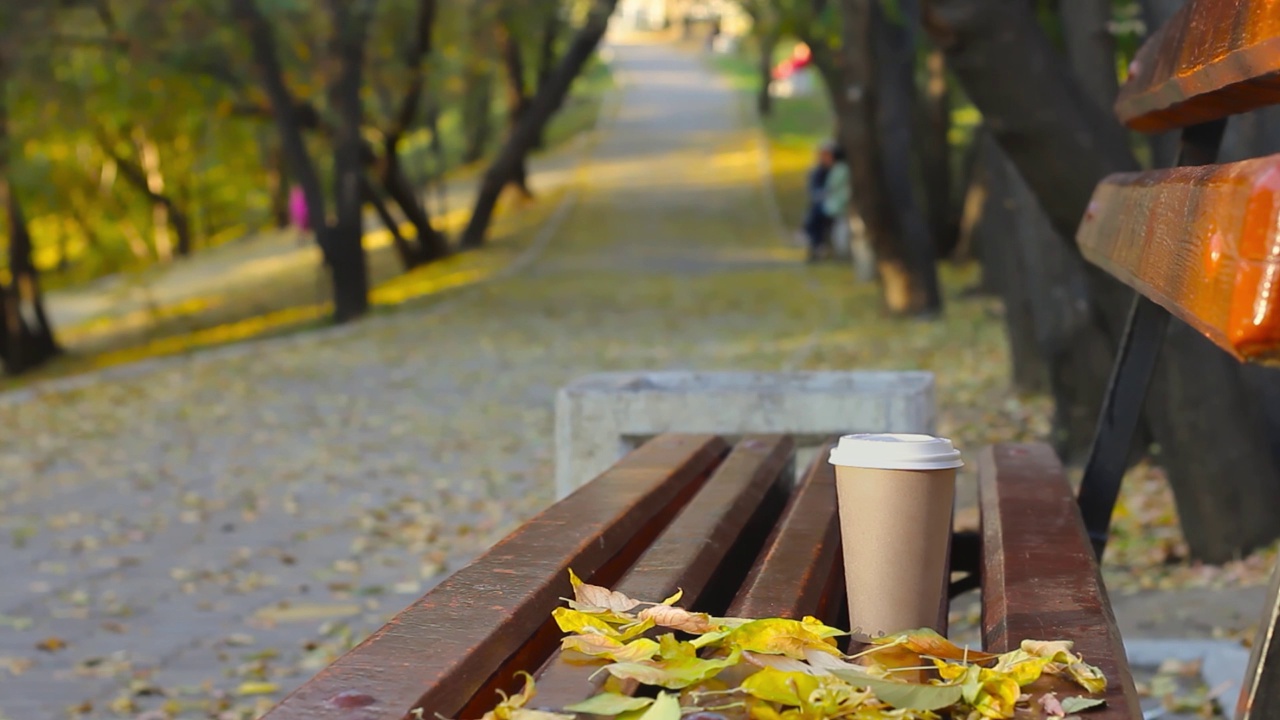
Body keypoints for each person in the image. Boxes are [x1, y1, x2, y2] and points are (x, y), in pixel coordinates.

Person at [802, 142, 836, 262]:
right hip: (822, 205)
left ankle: (819, 247)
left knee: (817, 217)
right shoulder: (818, 172)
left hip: (833, 206)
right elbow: (814, 191)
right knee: (813, 218)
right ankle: (817, 247)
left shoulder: (836, 171)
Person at [822, 144, 852, 256]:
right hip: (840, 202)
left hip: (840, 203)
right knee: (839, 227)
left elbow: (832, 185)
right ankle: (840, 251)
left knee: (841, 228)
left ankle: (842, 252)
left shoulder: (840, 169)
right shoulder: (840, 168)